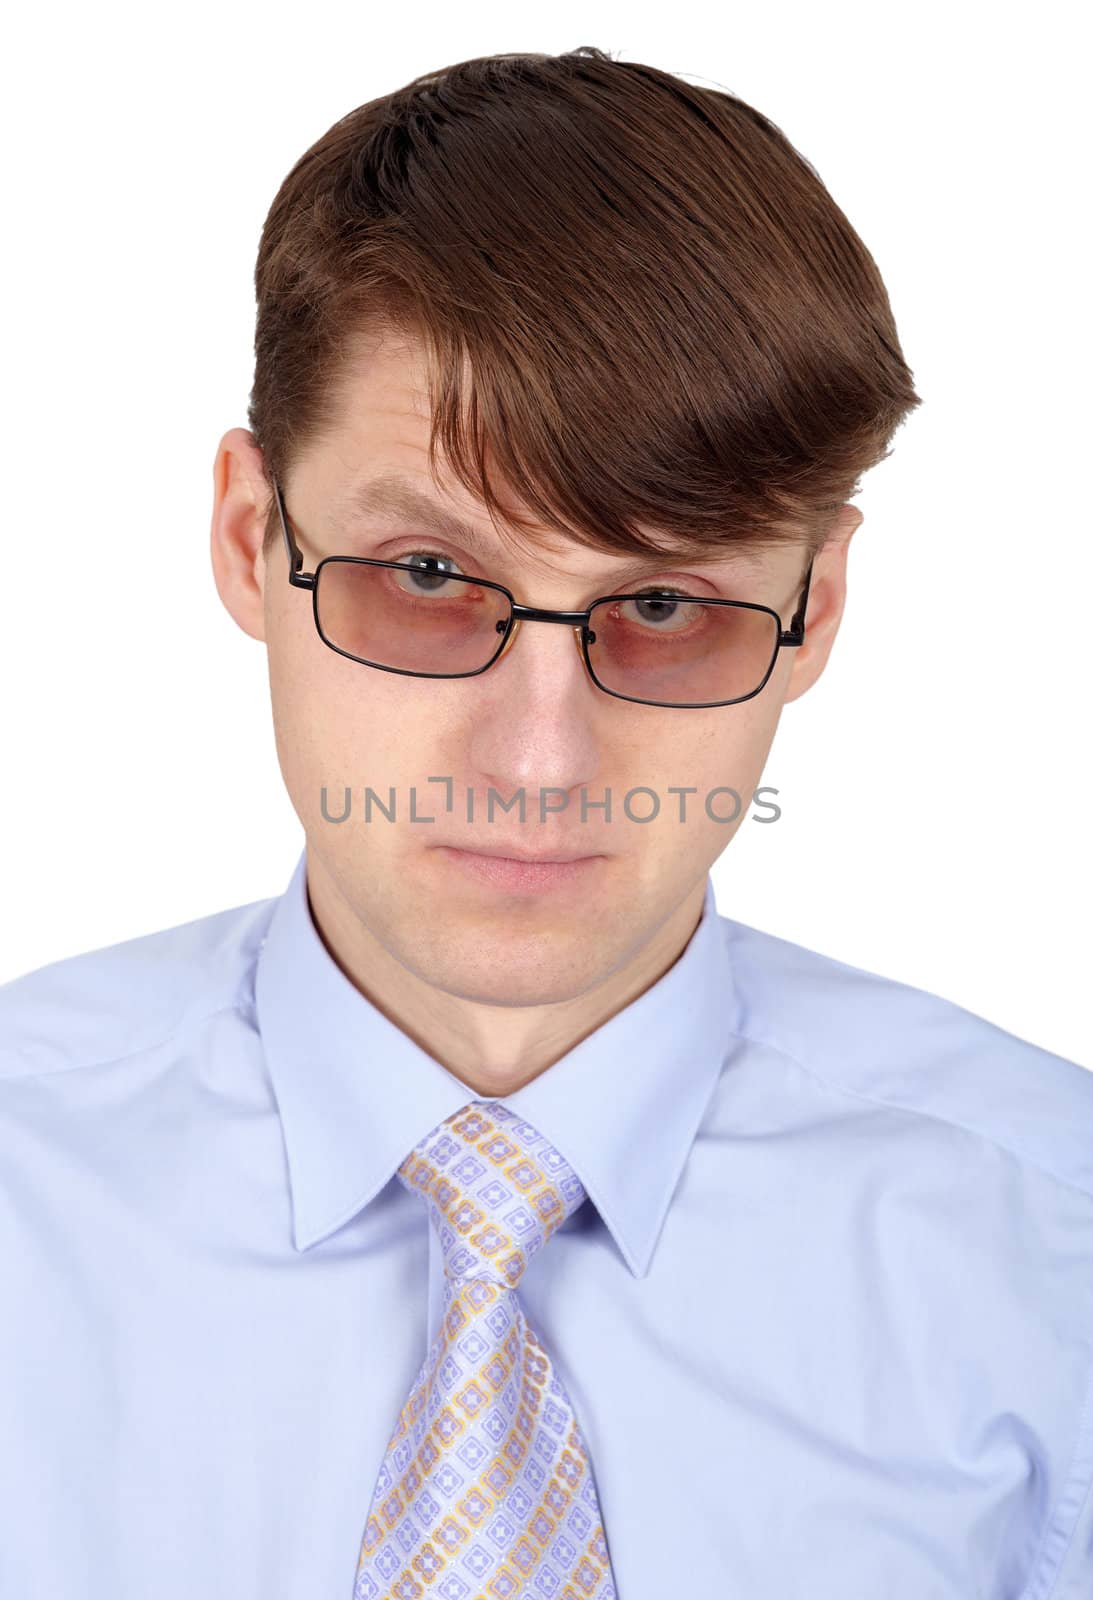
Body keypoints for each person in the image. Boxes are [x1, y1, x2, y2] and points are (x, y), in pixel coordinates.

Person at [1, 44, 1090, 1600]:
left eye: (665, 604)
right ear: (252, 542)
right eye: (428, 577)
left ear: (817, 607)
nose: (537, 759)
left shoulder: (1057, 1254)